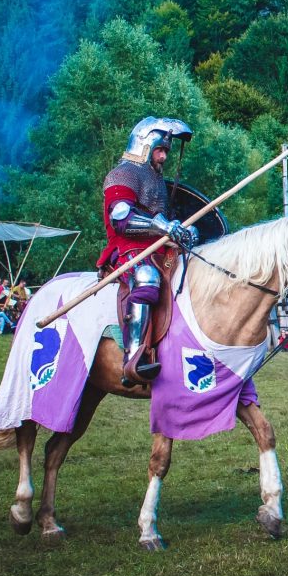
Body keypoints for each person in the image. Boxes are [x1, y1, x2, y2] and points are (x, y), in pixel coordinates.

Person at [98, 116, 197, 385]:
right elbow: (121, 218)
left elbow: (167, 220)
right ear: (144, 145)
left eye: (166, 151)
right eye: (159, 150)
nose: (164, 156)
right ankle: (134, 359)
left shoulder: (156, 179)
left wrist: (185, 231)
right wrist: (162, 226)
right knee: (146, 277)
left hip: (158, 248)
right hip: (127, 248)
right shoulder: (124, 174)